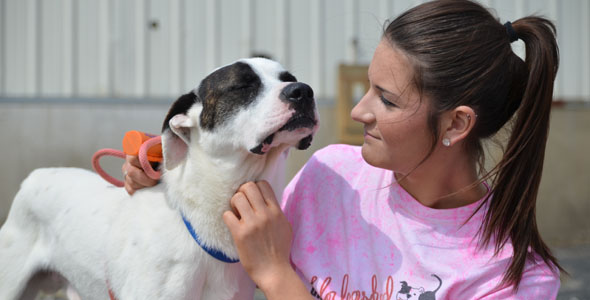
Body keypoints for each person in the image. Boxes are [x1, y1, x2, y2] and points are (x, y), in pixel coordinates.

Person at [123, 0, 563, 298]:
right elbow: (221, 226)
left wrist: (279, 279)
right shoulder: (330, 177)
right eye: (369, 87)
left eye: (387, 99)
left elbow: (269, 262)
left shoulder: (513, 278)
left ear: (457, 123)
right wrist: (164, 168)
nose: (358, 111)